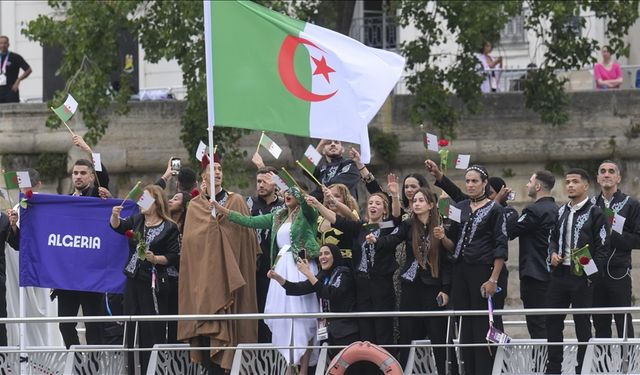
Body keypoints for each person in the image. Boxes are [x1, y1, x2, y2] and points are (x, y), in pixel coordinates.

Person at [219, 182, 320, 375]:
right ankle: (290, 366)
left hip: (300, 266)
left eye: (292, 192)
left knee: (303, 319)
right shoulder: (278, 216)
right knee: (283, 319)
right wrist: (222, 210)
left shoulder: (308, 214)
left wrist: (294, 188)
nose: (288, 194)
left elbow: (307, 207)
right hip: (281, 268)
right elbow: (250, 222)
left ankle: (305, 369)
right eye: (287, 192)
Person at [178, 154, 259, 374]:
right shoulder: (195, 206)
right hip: (207, 281)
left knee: (234, 335)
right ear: (203, 177)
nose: (218, 172)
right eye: (212, 169)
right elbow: (191, 247)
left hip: (233, 280)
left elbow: (248, 241)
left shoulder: (237, 201)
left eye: (220, 169)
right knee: (208, 341)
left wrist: (222, 235)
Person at [368, 188, 452, 374]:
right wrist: (376, 240)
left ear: (431, 205)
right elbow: (393, 238)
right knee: (407, 334)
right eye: (414, 200)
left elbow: (447, 260)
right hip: (411, 284)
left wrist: (446, 289)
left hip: (433, 287)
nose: (416, 203)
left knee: (438, 335)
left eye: (421, 200)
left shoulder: (441, 224)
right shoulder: (408, 224)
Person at [307, 191, 398, 350]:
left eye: (377, 203)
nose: (373, 206)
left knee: (383, 332)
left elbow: (397, 216)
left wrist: (395, 195)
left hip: (381, 286)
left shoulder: (388, 226)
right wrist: (318, 204)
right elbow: (337, 220)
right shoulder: (361, 228)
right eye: (370, 203)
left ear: (385, 210)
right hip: (362, 285)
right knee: (366, 333)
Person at [441, 165, 508, 375]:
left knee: (483, 324)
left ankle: (487, 371)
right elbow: (453, 245)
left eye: (474, 181)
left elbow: (501, 246)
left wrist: (493, 279)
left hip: (482, 270)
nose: (470, 185)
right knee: (464, 323)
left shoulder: (495, 209)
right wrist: (442, 237)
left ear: (484, 182)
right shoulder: (460, 207)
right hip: (460, 271)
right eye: (467, 181)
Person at [545, 168, 611, 375]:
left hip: (581, 279)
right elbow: (552, 238)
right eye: (567, 182)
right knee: (552, 322)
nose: (570, 186)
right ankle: (553, 369)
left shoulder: (596, 212)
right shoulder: (561, 210)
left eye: (575, 182)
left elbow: (603, 248)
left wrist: (590, 274)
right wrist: (553, 254)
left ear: (586, 186)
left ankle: (582, 369)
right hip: (559, 276)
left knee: (582, 325)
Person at [110, 185, 180, 374]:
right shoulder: (137, 220)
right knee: (131, 324)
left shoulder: (169, 227)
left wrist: (155, 259)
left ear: (156, 203)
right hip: (133, 280)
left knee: (152, 327)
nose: (141, 203)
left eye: (145, 199)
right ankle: (132, 369)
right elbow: (118, 227)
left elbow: (174, 256)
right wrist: (115, 216)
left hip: (153, 283)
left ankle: (153, 369)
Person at [267, 244, 359, 359]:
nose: (322, 257)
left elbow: (330, 293)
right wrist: (277, 277)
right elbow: (299, 288)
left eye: (327, 253)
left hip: (345, 333)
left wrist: (308, 273)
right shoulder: (323, 275)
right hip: (330, 334)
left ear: (335, 255)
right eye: (320, 254)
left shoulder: (344, 272)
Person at [507, 170, 558, 339]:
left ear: (537, 186)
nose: (527, 185)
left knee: (537, 325)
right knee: (550, 324)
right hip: (553, 274)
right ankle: (551, 364)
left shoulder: (534, 210)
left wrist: (506, 208)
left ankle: (540, 364)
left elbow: (511, 231)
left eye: (530, 181)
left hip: (534, 275)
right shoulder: (558, 209)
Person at [592, 161, 639, 339]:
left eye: (611, 171)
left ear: (618, 178)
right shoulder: (590, 205)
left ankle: (629, 366)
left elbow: (638, 239)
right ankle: (604, 366)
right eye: (602, 171)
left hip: (619, 271)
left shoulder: (631, 204)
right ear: (597, 178)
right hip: (595, 272)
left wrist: (613, 234)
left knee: (623, 322)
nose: (606, 174)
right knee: (599, 324)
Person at [246, 166, 285, 344]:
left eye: (265, 181)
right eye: (258, 181)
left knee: (277, 313)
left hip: (279, 267)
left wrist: (280, 182)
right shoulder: (249, 204)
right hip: (255, 268)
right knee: (258, 312)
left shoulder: (285, 205)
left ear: (275, 184)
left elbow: (303, 200)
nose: (260, 185)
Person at [163, 190, 191, 343]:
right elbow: (139, 197)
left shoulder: (190, 225)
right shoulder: (160, 219)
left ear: (184, 206)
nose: (170, 200)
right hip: (162, 278)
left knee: (177, 321)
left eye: (176, 198)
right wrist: (165, 178)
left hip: (183, 281)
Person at [317, 183, 360, 269]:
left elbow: (353, 220)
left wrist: (335, 202)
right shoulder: (320, 219)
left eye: (337, 196)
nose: (331, 198)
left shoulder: (351, 215)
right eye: (328, 196)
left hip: (345, 265)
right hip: (323, 265)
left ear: (345, 199)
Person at [0, 35, 32, 103]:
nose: (3, 45)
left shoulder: (15, 57)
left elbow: (28, 70)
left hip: (11, 89)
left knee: (12, 111)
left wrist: (18, 80)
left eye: (5, 43)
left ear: (8, 44)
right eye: (1, 43)